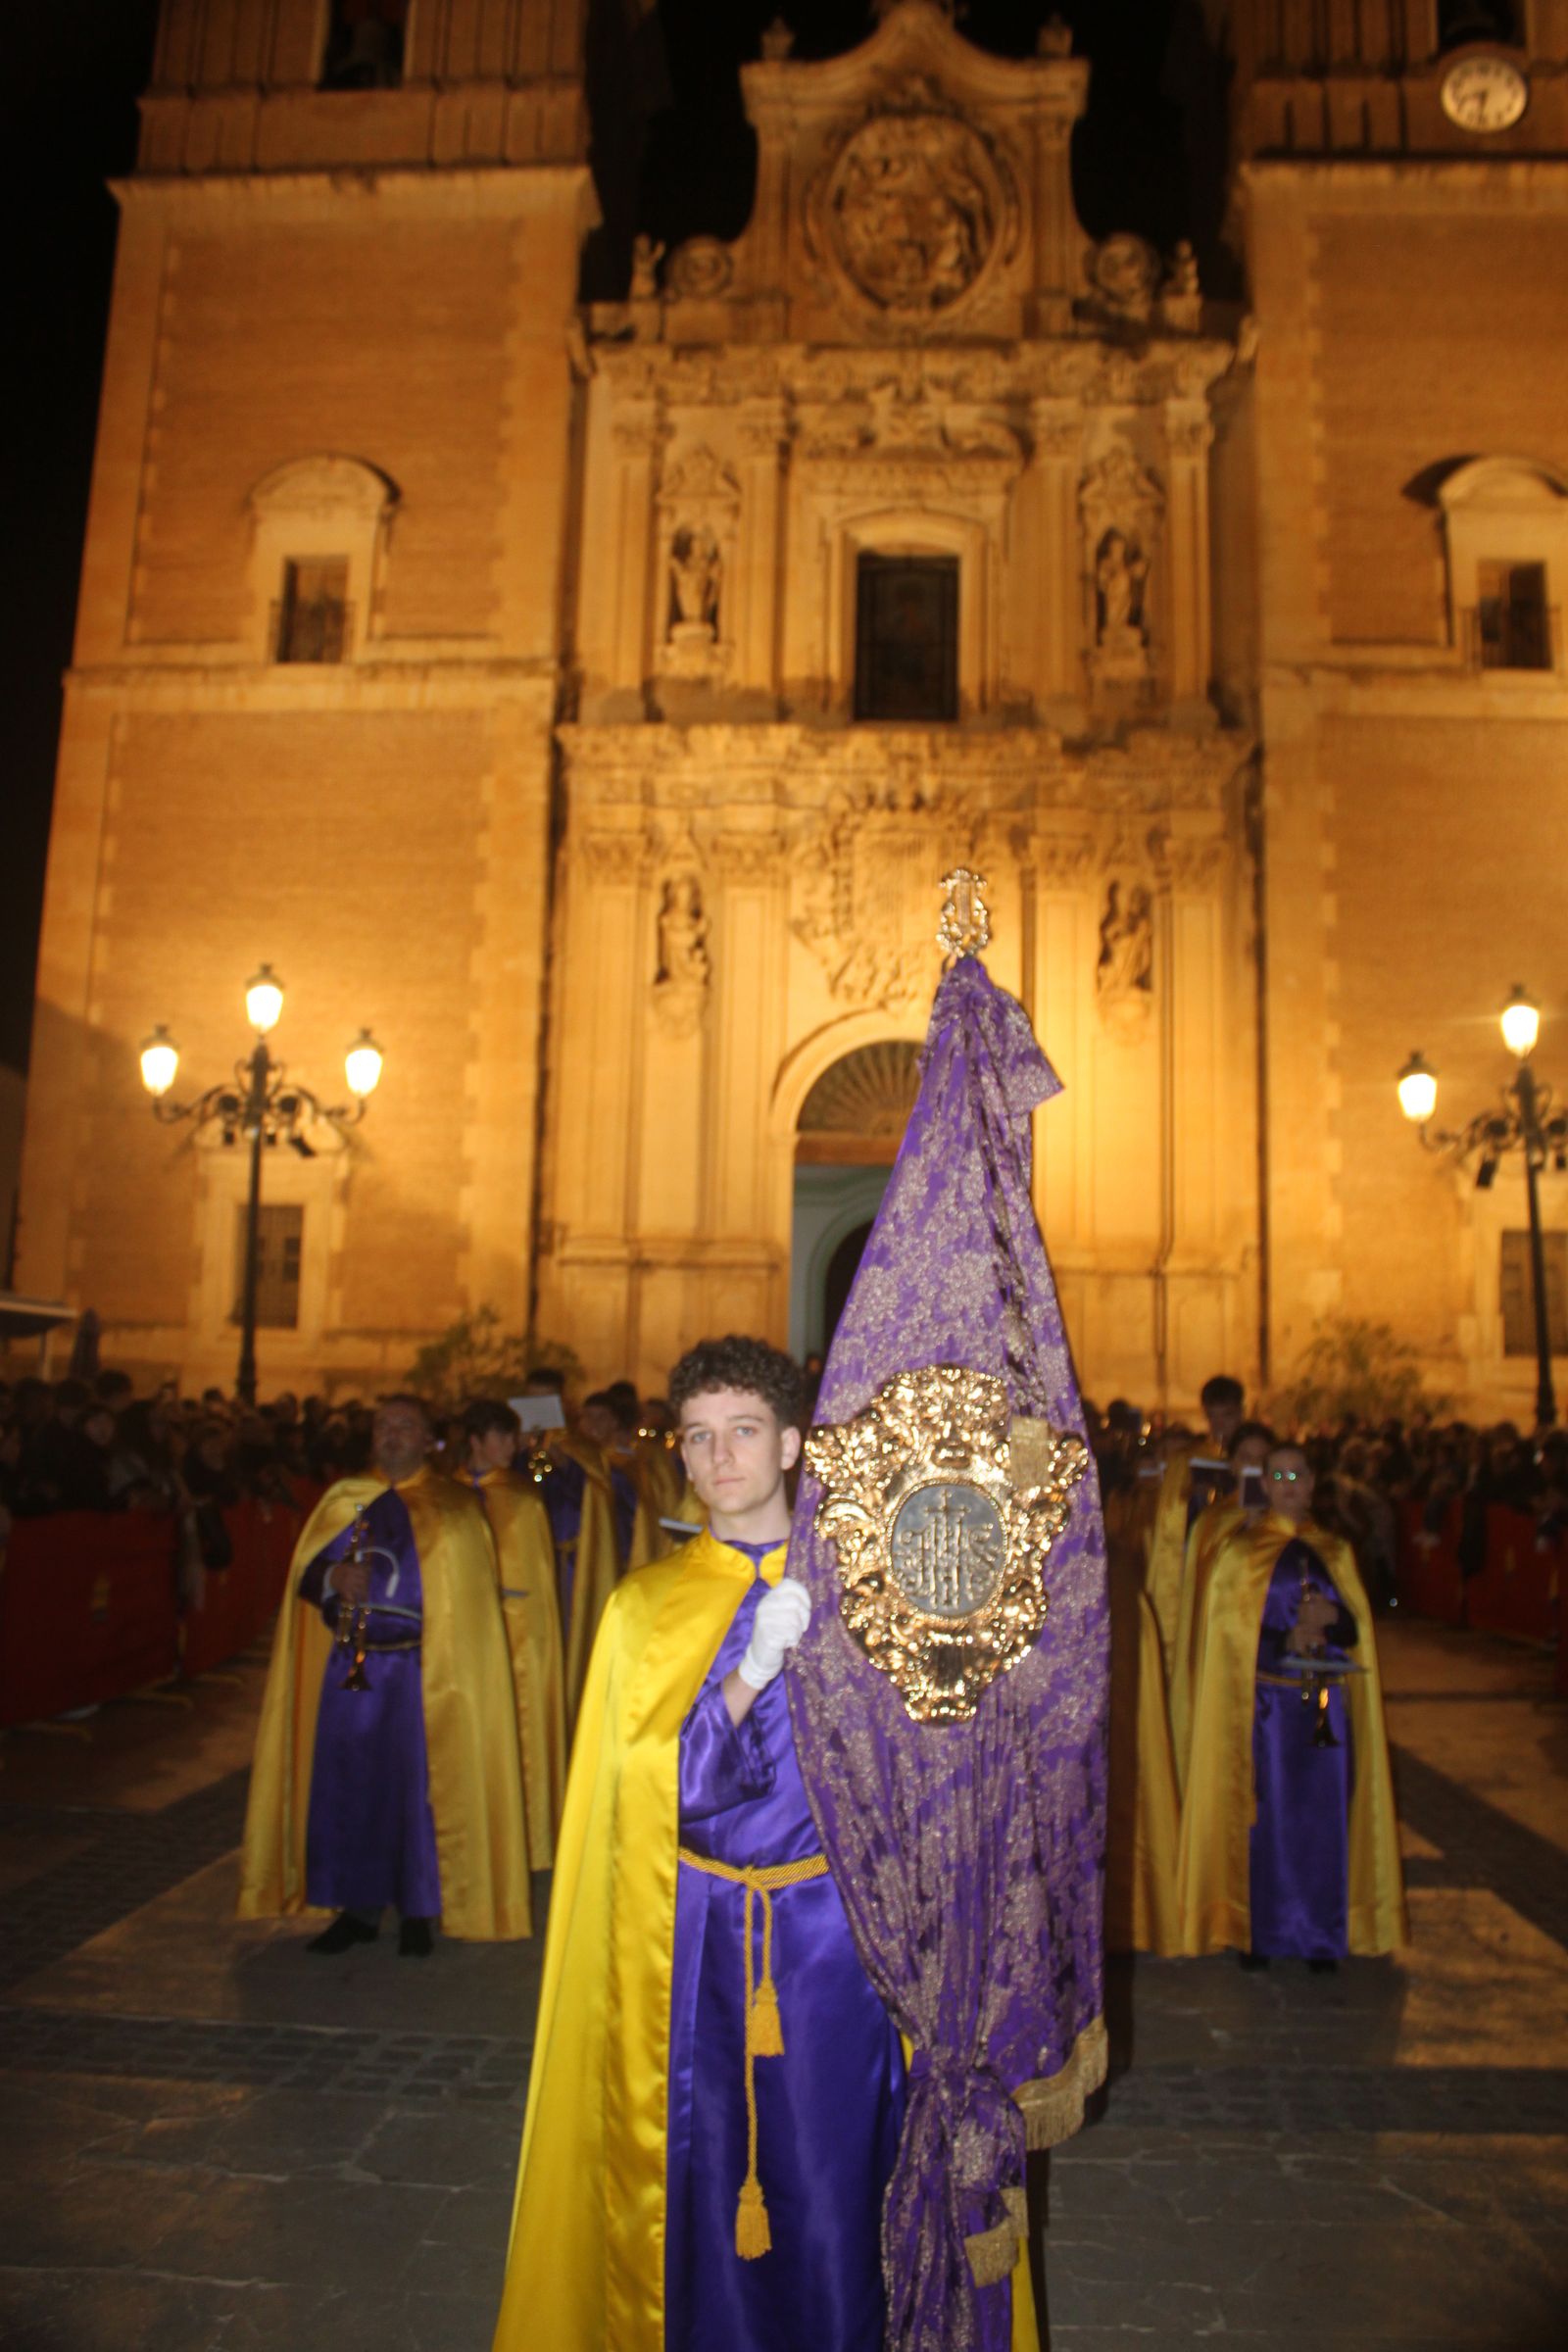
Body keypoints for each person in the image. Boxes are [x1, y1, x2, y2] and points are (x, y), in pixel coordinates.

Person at [494, 1336, 906, 2352]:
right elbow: (648, 1793)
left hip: (837, 1942)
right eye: (698, 1438)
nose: (719, 1458)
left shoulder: (869, 1594)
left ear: (794, 1444)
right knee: (703, 2166)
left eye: (745, 1432)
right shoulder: (646, 1608)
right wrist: (747, 1676)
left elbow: (917, 1780)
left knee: (837, 2172)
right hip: (697, 1937)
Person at [238, 1394, 530, 1957]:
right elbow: (305, 1573)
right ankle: (357, 1909)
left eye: (406, 1426)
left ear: (429, 1440)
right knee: (351, 1786)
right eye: (384, 1425)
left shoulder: (454, 1506)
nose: (393, 1434)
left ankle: (419, 1907)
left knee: (419, 1790)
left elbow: (467, 1594)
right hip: (353, 1668)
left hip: (425, 1670)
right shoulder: (345, 1499)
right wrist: (332, 1577)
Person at [1175, 1441, 1405, 1968]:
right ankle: (1263, 1932)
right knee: (1268, 1821)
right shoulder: (1240, 1552)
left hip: (1326, 1711)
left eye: (1297, 1476)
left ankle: (1321, 1934)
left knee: (1323, 1819)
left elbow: (1354, 1629)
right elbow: (1230, 1638)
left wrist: (1332, 1620)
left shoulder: (1336, 1550)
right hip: (1268, 1711)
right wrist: (1284, 1640)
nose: (1288, 1487)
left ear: (1313, 1481)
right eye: (1277, 1478)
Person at [459, 1397, 567, 1870]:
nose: (510, 1446)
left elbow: (538, 1571)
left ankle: (522, 1834)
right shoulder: (450, 1493)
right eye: (500, 1437)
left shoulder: (523, 1495)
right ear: (476, 1442)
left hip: (517, 1629)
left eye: (511, 1436)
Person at [1144, 1373, 1246, 1679]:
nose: (1220, 1426)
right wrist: (1191, 1498)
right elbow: (1171, 1517)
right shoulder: (1190, 1459)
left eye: (1227, 1417)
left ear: (1241, 1412)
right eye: (1213, 1418)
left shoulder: (1256, 1454)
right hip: (1202, 1561)